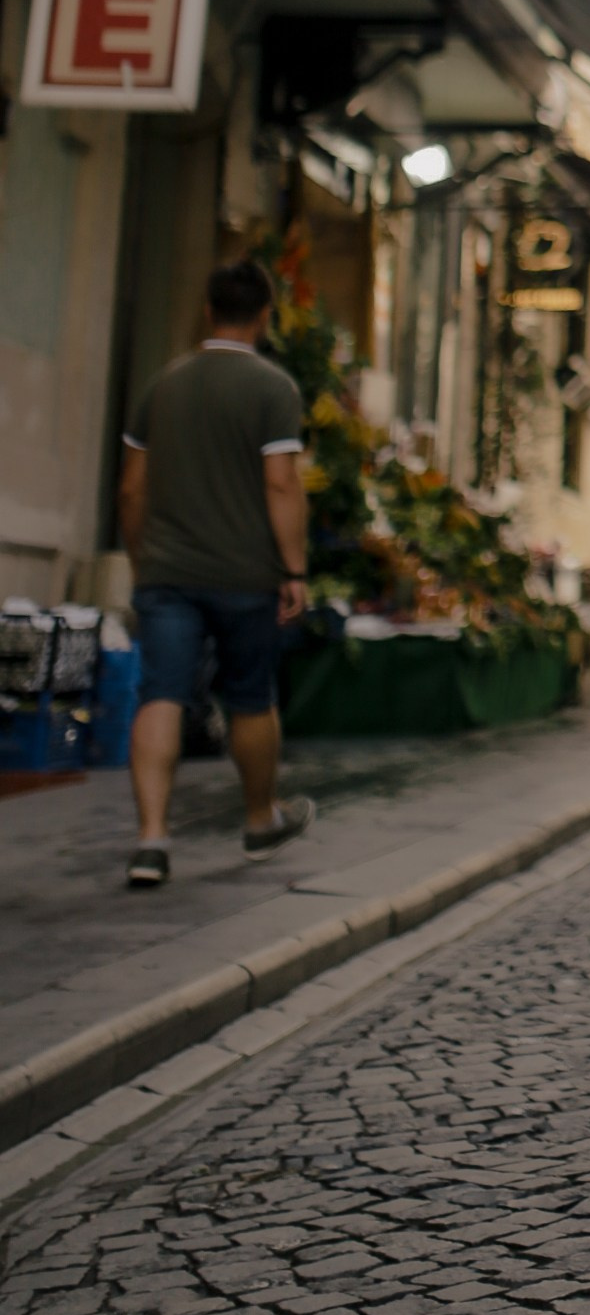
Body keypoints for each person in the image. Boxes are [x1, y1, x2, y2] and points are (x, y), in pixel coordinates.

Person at [117, 258, 316, 891]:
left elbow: (131, 489)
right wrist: (294, 569)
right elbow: (281, 484)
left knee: (161, 696)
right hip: (245, 575)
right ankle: (260, 820)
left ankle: (151, 841)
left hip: (168, 571)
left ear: (207, 311)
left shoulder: (164, 385)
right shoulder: (272, 389)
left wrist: (142, 559)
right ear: (264, 316)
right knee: (250, 698)